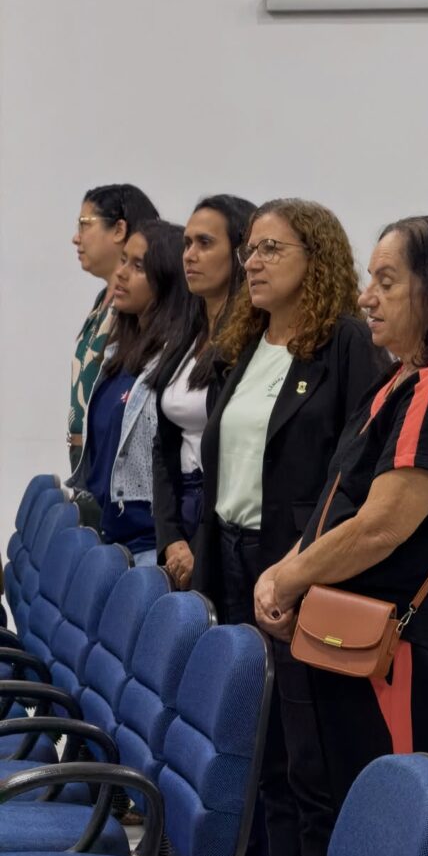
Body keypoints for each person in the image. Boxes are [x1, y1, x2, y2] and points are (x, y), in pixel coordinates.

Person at [253, 216, 428, 856]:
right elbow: (337, 502)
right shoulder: (402, 379)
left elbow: (381, 526)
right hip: (341, 636)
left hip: (391, 653)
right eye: (371, 278)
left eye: (387, 281)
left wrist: (288, 578)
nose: (367, 296)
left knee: (385, 849)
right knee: (327, 815)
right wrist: (285, 573)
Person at [193, 198, 389, 856]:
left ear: (318, 257)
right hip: (234, 559)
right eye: (251, 248)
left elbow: (358, 468)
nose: (253, 261)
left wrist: (306, 562)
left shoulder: (344, 344)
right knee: (264, 751)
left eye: (272, 248)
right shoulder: (244, 342)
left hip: (300, 569)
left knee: (309, 759)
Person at [151, 194, 257, 590]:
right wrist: (170, 537)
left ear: (240, 253)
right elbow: (163, 444)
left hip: (221, 515)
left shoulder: (251, 342)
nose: (190, 255)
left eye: (205, 243)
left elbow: (240, 455)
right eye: (187, 243)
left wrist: (199, 545)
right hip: (181, 507)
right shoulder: (187, 333)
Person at [68, 221, 189, 564]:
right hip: (109, 538)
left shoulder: (176, 362)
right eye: (123, 261)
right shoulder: (116, 354)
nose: (121, 273)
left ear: (167, 280)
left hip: (149, 546)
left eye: (138, 266)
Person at [69, 183, 159, 472]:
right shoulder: (102, 301)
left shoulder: (137, 308)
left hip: (112, 457)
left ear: (119, 229)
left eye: (85, 224)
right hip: (86, 456)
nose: (76, 237)